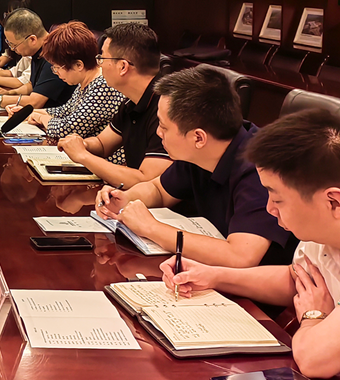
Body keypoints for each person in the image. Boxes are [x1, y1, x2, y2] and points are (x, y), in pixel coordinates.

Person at [160, 109, 340, 378]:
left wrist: (313, 317)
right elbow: (297, 279)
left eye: (278, 199)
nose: (269, 209)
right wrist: (212, 276)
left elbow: (314, 360)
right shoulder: (322, 232)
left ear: (333, 201)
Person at [94, 65, 295, 268]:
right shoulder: (201, 152)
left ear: (198, 137)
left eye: (163, 127)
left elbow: (241, 256)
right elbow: (159, 190)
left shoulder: (260, 168)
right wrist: (126, 198)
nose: (158, 133)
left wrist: (151, 228)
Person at [57, 23, 172, 188]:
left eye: (102, 58)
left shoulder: (167, 107)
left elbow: (147, 181)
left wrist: (83, 156)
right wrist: (82, 144)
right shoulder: (131, 101)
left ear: (123, 67)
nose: (100, 65)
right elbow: (103, 144)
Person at [14, 21, 126, 158]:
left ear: (78, 65)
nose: (56, 73)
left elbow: (69, 129)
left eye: (57, 67)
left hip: (103, 162)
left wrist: (40, 117)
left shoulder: (103, 86)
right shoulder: (85, 82)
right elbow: (64, 111)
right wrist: (26, 112)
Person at [0, 9, 74, 111]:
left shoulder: (53, 56)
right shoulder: (38, 52)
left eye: (14, 45)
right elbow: (32, 85)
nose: (12, 49)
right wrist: (9, 93)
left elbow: (35, 102)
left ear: (32, 39)